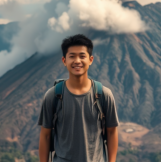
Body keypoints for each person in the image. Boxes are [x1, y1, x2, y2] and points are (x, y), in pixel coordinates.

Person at [38, 34, 119, 162]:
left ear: (90, 60)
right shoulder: (53, 95)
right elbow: (45, 135)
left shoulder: (103, 95)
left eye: (82, 56)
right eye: (72, 56)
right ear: (64, 61)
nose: (77, 61)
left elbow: (111, 132)